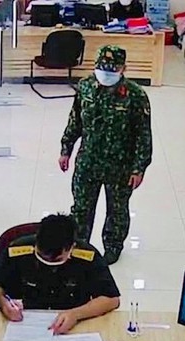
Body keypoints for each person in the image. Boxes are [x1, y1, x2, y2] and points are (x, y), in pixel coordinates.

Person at [59, 45, 152, 265]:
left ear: (123, 68)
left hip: (120, 165)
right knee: (81, 207)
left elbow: (143, 135)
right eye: (103, 69)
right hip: (88, 161)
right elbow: (75, 121)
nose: (106, 75)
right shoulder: (85, 87)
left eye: (112, 70)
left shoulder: (136, 96)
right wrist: (66, 149)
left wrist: (139, 168)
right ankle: (80, 245)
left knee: (117, 210)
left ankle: (112, 247)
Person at [0, 214, 120, 334]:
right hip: (25, 321)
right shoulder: (16, 251)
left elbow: (112, 299)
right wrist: (3, 303)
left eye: (56, 260)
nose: (48, 262)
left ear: (71, 247)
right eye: (42, 256)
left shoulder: (87, 256)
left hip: (73, 323)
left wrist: (76, 314)